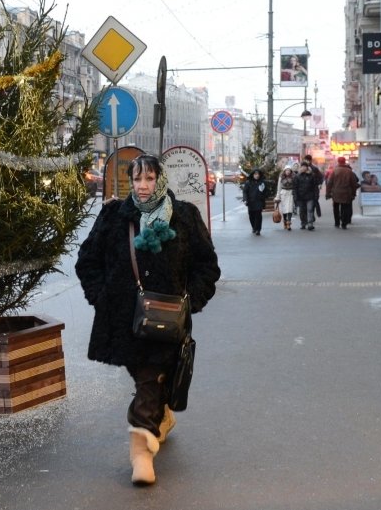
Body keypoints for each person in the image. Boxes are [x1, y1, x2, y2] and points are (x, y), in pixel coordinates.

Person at [74, 155, 220, 486]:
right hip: (123, 319)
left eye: (150, 179)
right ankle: (159, 416)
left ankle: (141, 451)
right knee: (148, 378)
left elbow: (206, 266)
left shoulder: (183, 216)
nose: (142, 186)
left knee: (150, 377)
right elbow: (87, 261)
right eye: (137, 179)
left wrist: (191, 302)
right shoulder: (114, 216)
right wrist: (101, 297)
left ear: (161, 180)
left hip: (169, 319)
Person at [326, 156, 360, 229]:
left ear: (338, 162)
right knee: (345, 208)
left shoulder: (335, 171)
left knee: (336, 208)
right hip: (346, 192)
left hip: (336, 192)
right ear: (345, 162)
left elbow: (329, 183)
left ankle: (337, 223)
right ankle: (344, 223)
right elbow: (353, 184)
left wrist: (328, 193)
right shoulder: (349, 171)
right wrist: (353, 193)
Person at [293, 163, 318, 231]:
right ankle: (303, 223)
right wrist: (295, 196)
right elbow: (295, 187)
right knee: (302, 211)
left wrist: (316, 195)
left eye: (305, 166)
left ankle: (310, 224)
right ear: (301, 167)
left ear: (307, 167)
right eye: (302, 166)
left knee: (310, 209)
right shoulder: (297, 176)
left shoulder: (311, 175)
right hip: (301, 197)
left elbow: (315, 186)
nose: (304, 168)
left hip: (310, 196)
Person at [242, 168, 267, 235]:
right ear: (253, 175)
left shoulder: (262, 182)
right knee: (251, 216)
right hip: (251, 202)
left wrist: (263, 197)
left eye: (258, 174)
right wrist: (245, 199)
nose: (257, 175)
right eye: (255, 174)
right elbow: (245, 192)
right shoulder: (248, 182)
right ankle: (254, 227)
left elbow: (265, 192)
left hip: (259, 201)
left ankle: (258, 229)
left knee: (258, 215)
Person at [275, 166, 297, 231]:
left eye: (289, 170)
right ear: (284, 171)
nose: (288, 171)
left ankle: (289, 223)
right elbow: (279, 187)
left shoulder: (293, 177)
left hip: (290, 193)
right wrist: (277, 196)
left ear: (291, 171)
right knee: (284, 209)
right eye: (286, 170)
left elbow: (296, 186)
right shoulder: (281, 177)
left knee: (290, 209)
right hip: (283, 193)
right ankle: (285, 221)